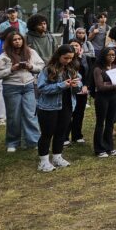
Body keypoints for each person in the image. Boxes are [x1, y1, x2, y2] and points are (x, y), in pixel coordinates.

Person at [0, 31, 44, 152]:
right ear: (10, 42)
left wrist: (31, 67)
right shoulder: (4, 55)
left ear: (23, 40)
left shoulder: (31, 52)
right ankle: (12, 142)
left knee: (30, 114)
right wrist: (11, 69)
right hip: (11, 87)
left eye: (19, 39)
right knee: (13, 116)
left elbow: (42, 66)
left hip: (28, 86)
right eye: (14, 39)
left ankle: (33, 141)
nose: (17, 41)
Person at [35, 44, 81, 172]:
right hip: (48, 107)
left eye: (71, 58)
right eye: (66, 58)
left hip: (67, 105)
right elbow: (41, 88)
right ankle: (43, 162)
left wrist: (76, 84)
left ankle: (57, 157)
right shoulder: (48, 69)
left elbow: (79, 84)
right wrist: (61, 85)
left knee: (61, 132)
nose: (68, 61)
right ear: (59, 56)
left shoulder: (72, 68)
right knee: (47, 133)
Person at [92, 47, 116, 158]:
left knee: (110, 122)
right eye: (109, 55)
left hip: (114, 97)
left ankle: (109, 147)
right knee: (100, 123)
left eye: (113, 55)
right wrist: (115, 85)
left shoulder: (115, 68)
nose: (111, 57)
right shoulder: (98, 69)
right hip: (102, 98)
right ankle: (99, 149)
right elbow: (100, 86)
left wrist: (109, 84)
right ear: (104, 56)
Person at [66, 38, 91, 145]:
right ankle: (64, 137)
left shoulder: (85, 58)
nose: (75, 47)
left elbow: (89, 74)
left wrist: (86, 85)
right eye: (72, 45)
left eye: (77, 45)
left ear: (81, 47)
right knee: (67, 114)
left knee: (79, 114)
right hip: (69, 89)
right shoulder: (66, 59)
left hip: (82, 90)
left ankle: (77, 136)